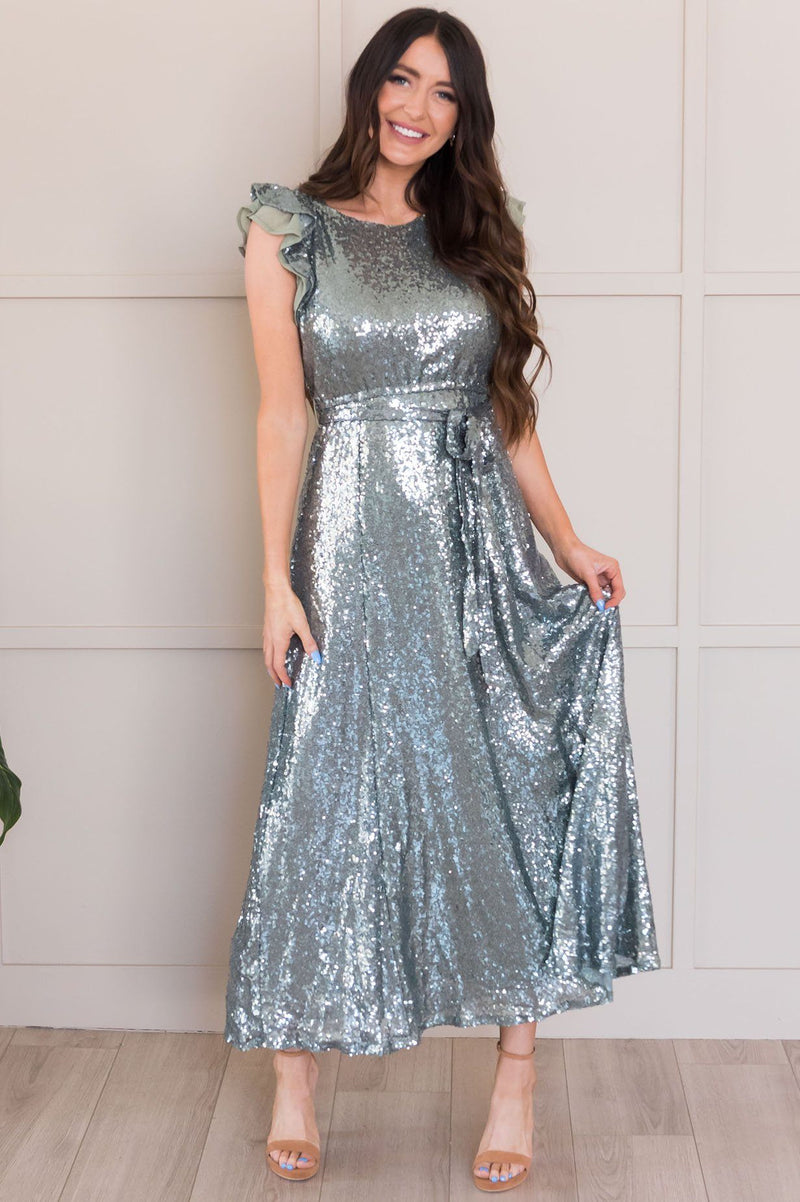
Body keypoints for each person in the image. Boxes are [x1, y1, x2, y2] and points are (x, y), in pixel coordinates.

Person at [225, 6, 661, 1193]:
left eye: (444, 93)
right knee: (319, 798)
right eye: (402, 80)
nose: (416, 108)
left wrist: (566, 540)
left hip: (475, 551)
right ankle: (294, 1075)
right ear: (369, 85)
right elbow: (281, 412)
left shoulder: (475, 228)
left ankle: (516, 1068)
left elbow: (504, 410)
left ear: (464, 117)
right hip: (349, 540)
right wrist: (274, 580)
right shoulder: (288, 227)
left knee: (505, 782)